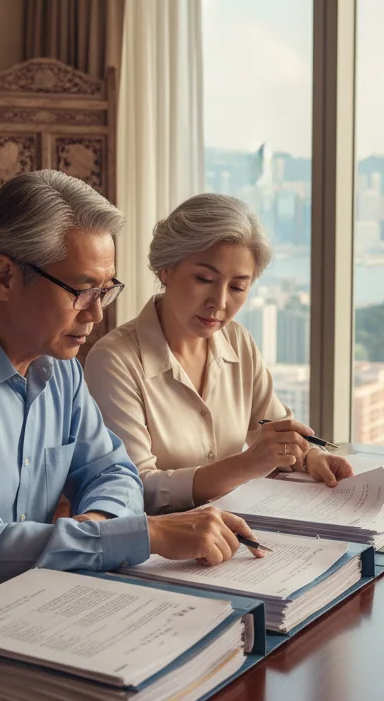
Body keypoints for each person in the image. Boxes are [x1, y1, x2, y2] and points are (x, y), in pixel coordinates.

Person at [0, 171, 260, 659]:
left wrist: (96, 531)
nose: (96, 314)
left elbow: (115, 473)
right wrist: (142, 534)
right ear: (5, 277)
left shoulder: (60, 372)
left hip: (26, 604)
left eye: (106, 290)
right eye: (81, 290)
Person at [86, 193, 353, 514]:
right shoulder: (114, 360)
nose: (220, 302)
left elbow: (276, 427)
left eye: (238, 287)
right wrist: (247, 464)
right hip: (160, 547)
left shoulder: (238, 342)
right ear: (165, 269)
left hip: (236, 531)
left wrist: (310, 456)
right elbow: (134, 487)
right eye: (204, 279)